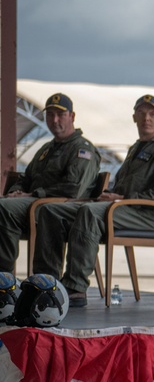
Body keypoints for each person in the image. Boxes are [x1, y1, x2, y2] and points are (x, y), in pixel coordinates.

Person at [32, 94, 154, 308]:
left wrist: (122, 198)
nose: (146, 118)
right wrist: (108, 195)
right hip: (121, 207)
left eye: (152, 114)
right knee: (50, 210)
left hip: (143, 214)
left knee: (89, 212)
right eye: (141, 113)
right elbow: (123, 185)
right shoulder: (137, 148)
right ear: (134, 117)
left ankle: (75, 287)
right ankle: (47, 283)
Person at [0, 93, 101, 272]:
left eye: (60, 114)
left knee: (5, 208)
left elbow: (73, 188)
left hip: (58, 208)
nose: (54, 120)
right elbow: (26, 177)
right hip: (34, 204)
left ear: (72, 116)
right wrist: (16, 191)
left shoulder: (82, 149)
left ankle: (3, 276)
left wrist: (32, 194)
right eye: (50, 115)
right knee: (5, 204)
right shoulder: (46, 149)